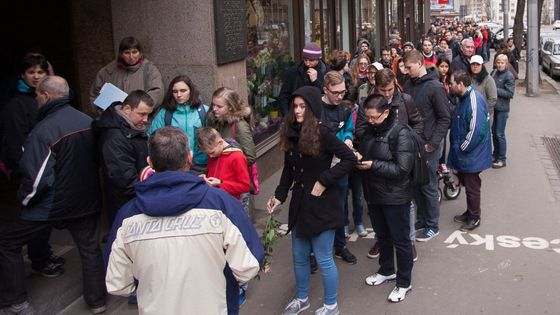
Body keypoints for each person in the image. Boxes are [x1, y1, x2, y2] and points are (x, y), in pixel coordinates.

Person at [105, 126, 263, 315]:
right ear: (189, 158)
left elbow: (117, 282)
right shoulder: (221, 204)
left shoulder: (127, 216)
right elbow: (250, 264)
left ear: (150, 162)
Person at [0, 76, 106, 314]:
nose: (36, 98)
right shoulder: (87, 121)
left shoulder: (43, 130)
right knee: (89, 250)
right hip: (87, 200)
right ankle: (97, 301)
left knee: (7, 242)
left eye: (37, 94)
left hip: (53, 204)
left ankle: (16, 301)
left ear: (46, 96)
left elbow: (37, 178)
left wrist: (24, 200)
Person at [267, 86, 356, 315]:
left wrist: (324, 180)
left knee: (324, 258)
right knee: (299, 256)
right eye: (295, 106)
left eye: (302, 106)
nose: (297, 111)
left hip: (322, 204)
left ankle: (331, 305)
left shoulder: (323, 133)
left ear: (313, 108)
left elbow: (348, 159)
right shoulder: (291, 133)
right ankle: (302, 299)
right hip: (300, 204)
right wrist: (279, 195)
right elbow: (289, 169)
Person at [0, 53, 65, 277]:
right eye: (31, 72)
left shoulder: (47, 99)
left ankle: (42, 253)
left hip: (48, 166)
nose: (36, 77)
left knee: (45, 217)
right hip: (31, 170)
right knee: (35, 215)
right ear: (23, 74)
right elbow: (18, 144)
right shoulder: (16, 105)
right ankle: (39, 258)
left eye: (41, 72)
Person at [359, 68, 424, 261]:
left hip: (400, 160)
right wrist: (372, 138)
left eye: (389, 90)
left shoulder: (405, 100)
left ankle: (409, 242)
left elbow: (418, 123)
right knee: (377, 206)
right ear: (375, 86)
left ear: (394, 83)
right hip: (376, 160)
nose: (387, 94)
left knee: (406, 206)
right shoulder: (368, 104)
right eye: (382, 90)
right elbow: (360, 129)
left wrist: (410, 143)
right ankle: (382, 240)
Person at [357, 94, 415, 303]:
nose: (370, 121)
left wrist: (373, 165)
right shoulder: (370, 131)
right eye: (367, 117)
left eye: (374, 117)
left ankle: (404, 282)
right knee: (383, 237)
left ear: (387, 112)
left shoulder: (400, 133)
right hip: (374, 194)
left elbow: (402, 169)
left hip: (395, 196)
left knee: (401, 241)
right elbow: (367, 152)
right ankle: (387, 270)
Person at [403, 50, 451, 242]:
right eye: (405, 67)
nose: (406, 71)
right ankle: (422, 220)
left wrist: (433, 143)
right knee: (416, 185)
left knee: (429, 186)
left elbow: (445, 118)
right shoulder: (408, 84)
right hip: (412, 144)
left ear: (420, 63)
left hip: (429, 146)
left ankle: (433, 225)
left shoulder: (435, 87)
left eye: (409, 67)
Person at [92, 90, 154, 231]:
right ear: (127, 109)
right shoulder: (114, 138)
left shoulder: (131, 128)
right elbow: (124, 179)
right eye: (141, 114)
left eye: (148, 115)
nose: (145, 119)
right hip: (126, 203)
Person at [320, 71, 359, 264]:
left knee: (340, 205)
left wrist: (349, 139)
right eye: (335, 92)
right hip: (319, 166)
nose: (340, 96)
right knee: (317, 206)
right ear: (325, 89)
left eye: (343, 92)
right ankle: (315, 251)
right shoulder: (315, 108)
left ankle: (340, 245)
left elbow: (349, 129)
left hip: (341, 165)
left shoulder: (345, 109)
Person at [448, 70, 492, 231]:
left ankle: (475, 217)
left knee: (473, 186)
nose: (450, 86)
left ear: (460, 84)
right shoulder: (463, 97)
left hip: (471, 153)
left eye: (452, 83)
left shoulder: (474, 100)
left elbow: (477, 130)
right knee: (469, 184)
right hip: (467, 153)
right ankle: (470, 212)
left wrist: (463, 147)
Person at [148, 75, 209, 174]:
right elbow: (152, 138)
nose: (179, 95)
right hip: (174, 164)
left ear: (191, 91)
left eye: (183, 91)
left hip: (200, 164)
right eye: (175, 91)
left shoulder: (204, 111)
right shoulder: (165, 113)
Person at [89, 36, 164, 111]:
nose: (131, 57)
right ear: (121, 54)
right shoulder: (107, 71)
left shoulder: (149, 70)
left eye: (134, 52)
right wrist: (104, 114)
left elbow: (156, 94)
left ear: (140, 53)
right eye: (127, 53)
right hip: (113, 119)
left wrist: (138, 111)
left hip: (141, 119)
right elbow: (95, 96)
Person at [197, 126, 250, 200]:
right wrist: (205, 177)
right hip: (216, 199)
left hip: (231, 201)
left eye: (212, 152)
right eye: (208, 154)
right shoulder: (214, 154)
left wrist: (220, 183)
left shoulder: (237, 157)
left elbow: (245, 186)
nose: (210, 156)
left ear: (220, 143)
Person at [277, 42, 329, 116]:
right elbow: (283, 96)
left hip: (319, 116)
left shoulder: (326, 71)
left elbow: (327, 95)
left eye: (311, 60)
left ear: (318, 59)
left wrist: (316, 81)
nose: (308, 63)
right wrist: (287, 116)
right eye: (305, 60)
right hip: (296, 115)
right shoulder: (294, 72)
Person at [491, 54, 516, 169]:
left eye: (502, 63)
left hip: (502, 109)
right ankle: (495, 155)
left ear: (506, 63)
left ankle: (502, 159)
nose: (500, 65)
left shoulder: (509, 76)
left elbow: (510, 94)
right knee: (494, 132)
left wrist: (495, 90)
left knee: (499, 133)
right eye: (498, 62)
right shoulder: (494, 72)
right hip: (494, 107)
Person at [469, 55, 497, 123]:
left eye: (478, 64)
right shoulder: (466, 77)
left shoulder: (488, 79)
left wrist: (482, 110)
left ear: (482, 65)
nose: (475, 66)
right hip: (469, 114)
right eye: (473, 64)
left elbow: (492, 98)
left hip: (483, 114)